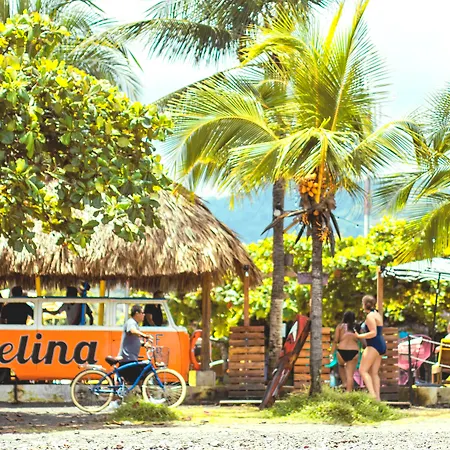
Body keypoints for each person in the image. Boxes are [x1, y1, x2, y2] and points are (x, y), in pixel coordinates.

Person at [355, 295, 386, 401]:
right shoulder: (377, 314)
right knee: (374, 373)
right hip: (381, 344)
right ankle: (378, 398)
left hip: (373, 344)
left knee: (362, 370)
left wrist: (359, 336)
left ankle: (372, 395)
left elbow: (373, 333)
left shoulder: (370, 317)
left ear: (364, 304)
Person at [118, 304, 153, 382]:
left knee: (138, 378)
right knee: (140, 377)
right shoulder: (131, 322)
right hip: (128, 358)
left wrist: (144, 344)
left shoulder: (135, 324)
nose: (144, 315)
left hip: (130, 358)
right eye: (142, 313)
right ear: (137, 313)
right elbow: (132, 330)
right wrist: (145, 336)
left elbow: (134, 340)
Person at [330, 311, 360, 392]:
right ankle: (349, 393)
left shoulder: (340, 326)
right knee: (350, 375)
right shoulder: (357, 327)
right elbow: (363, 341)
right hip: (353, 351)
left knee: (341, 366)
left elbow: (335, 340)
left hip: (341, 350)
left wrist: (331, 353)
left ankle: (344, 383)